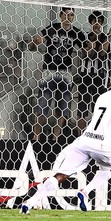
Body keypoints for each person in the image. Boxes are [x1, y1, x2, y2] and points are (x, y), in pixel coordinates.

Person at [20, 72, 111, 214]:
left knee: (60, 176)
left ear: (110, 84)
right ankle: (85, 191)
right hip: (103, 146)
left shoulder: (102, 97)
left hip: (84, 141)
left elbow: (105, 119)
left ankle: (29, 202)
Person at [31, 7, 86, 141]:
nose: (69, 17)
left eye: (72, 15)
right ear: (61, 15)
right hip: (49, 71)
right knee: (42, 105)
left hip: (65, 72)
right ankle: (36, 136)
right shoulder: (52, 28)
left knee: (63, 107)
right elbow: (36, 42)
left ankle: (56, 137)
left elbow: (85, 52)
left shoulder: (76, 33)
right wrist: (35, 42)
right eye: (67, 14)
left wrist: (90, 46)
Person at [76, 11, 108, 132]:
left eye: (99, 21)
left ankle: (96, 134)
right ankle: (80, 134)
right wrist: (93, 47)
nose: (97, 24)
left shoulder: (105, 37)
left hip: (100, 76)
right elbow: (85, 55)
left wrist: (93, 47)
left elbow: (102, 54)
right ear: (91, 22)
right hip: (85, 75)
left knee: (98, 108)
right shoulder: (84, 35)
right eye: (95, 21)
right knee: (82, 108)